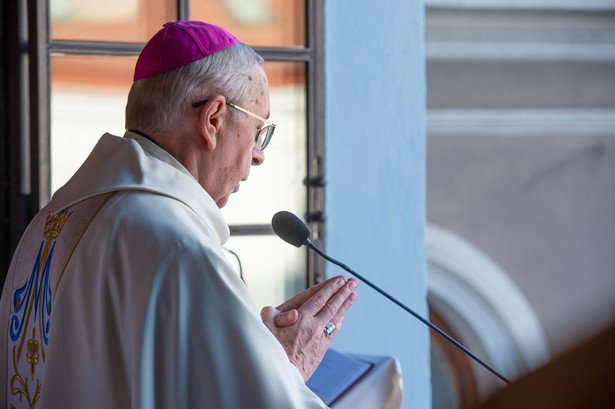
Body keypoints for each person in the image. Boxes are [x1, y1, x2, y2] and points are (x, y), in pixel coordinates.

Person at [0, 20, 357, 408]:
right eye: (259, 130)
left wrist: (252, 357)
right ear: (214, 119)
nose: (259, 154)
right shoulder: (178, 245)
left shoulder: (48, 225)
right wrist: (286, 367)